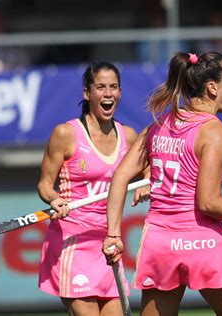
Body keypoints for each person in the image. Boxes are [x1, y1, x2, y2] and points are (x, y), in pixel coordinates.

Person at [102, 51, 222, 316]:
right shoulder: (215, 133)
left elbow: (120, 178)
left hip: (160, 245)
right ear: (213, 88)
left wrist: (113, 234)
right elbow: (208, 202)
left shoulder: (157, 126)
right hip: (203, 242)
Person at [37, 61, 149, 316]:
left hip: (109, 244)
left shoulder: (129, 136)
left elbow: (148, 168)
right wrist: (54, 199)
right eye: (101, 87)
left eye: (114, 87)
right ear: (87, 93)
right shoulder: (66, 134)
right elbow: (44, 184)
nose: (108, 93)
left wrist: (147, 181)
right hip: (72, 243)